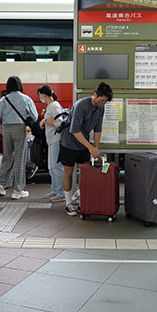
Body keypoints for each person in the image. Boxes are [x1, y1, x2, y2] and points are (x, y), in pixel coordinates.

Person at [58, 82, 113, 216]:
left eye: (105, 101)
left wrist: (96, 149)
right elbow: (74, 130)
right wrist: (90, 148)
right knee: (68, 171)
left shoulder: (101, 108)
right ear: (95, 95)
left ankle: (84, 200)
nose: (103, 103)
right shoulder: (81, 106)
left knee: (85, 171)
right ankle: (68, 203)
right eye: (102, 100)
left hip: (83, 144)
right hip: (69, 142)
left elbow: (98, 129)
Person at [0, 76, 38, 199]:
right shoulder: (26, 99)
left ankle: (1, 184)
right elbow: (34, 116)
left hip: (7, 129)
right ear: (20, 85)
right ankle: (18, 190)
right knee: (20, 159)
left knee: (7, 157)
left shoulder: (4, 100)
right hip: (20, 129)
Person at [37, 84, 65, 202]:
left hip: (56, 140)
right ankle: (55, 190)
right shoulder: (50, 106)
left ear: (43, 95)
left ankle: (61, 193)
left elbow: (60, 122)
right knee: (51, 167)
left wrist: (45, 120)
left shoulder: (54, 106)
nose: (40, 98)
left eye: (39, 95)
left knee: (56, 167)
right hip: (51, 140)